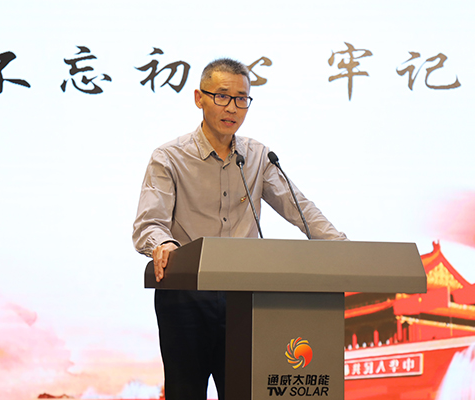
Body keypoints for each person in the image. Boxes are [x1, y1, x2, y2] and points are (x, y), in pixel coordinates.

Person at [132, 58, 347, 400]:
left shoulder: (258, 157)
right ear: (199, 98)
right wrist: (165, 244)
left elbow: (299, 208)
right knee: (185, 392)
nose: (232, 107)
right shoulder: (169, 157)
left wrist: (342, 247)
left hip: (244, 298)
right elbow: (149, 224)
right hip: (186, 296)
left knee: (246, 392)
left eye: (241, 98)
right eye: (222, 96)